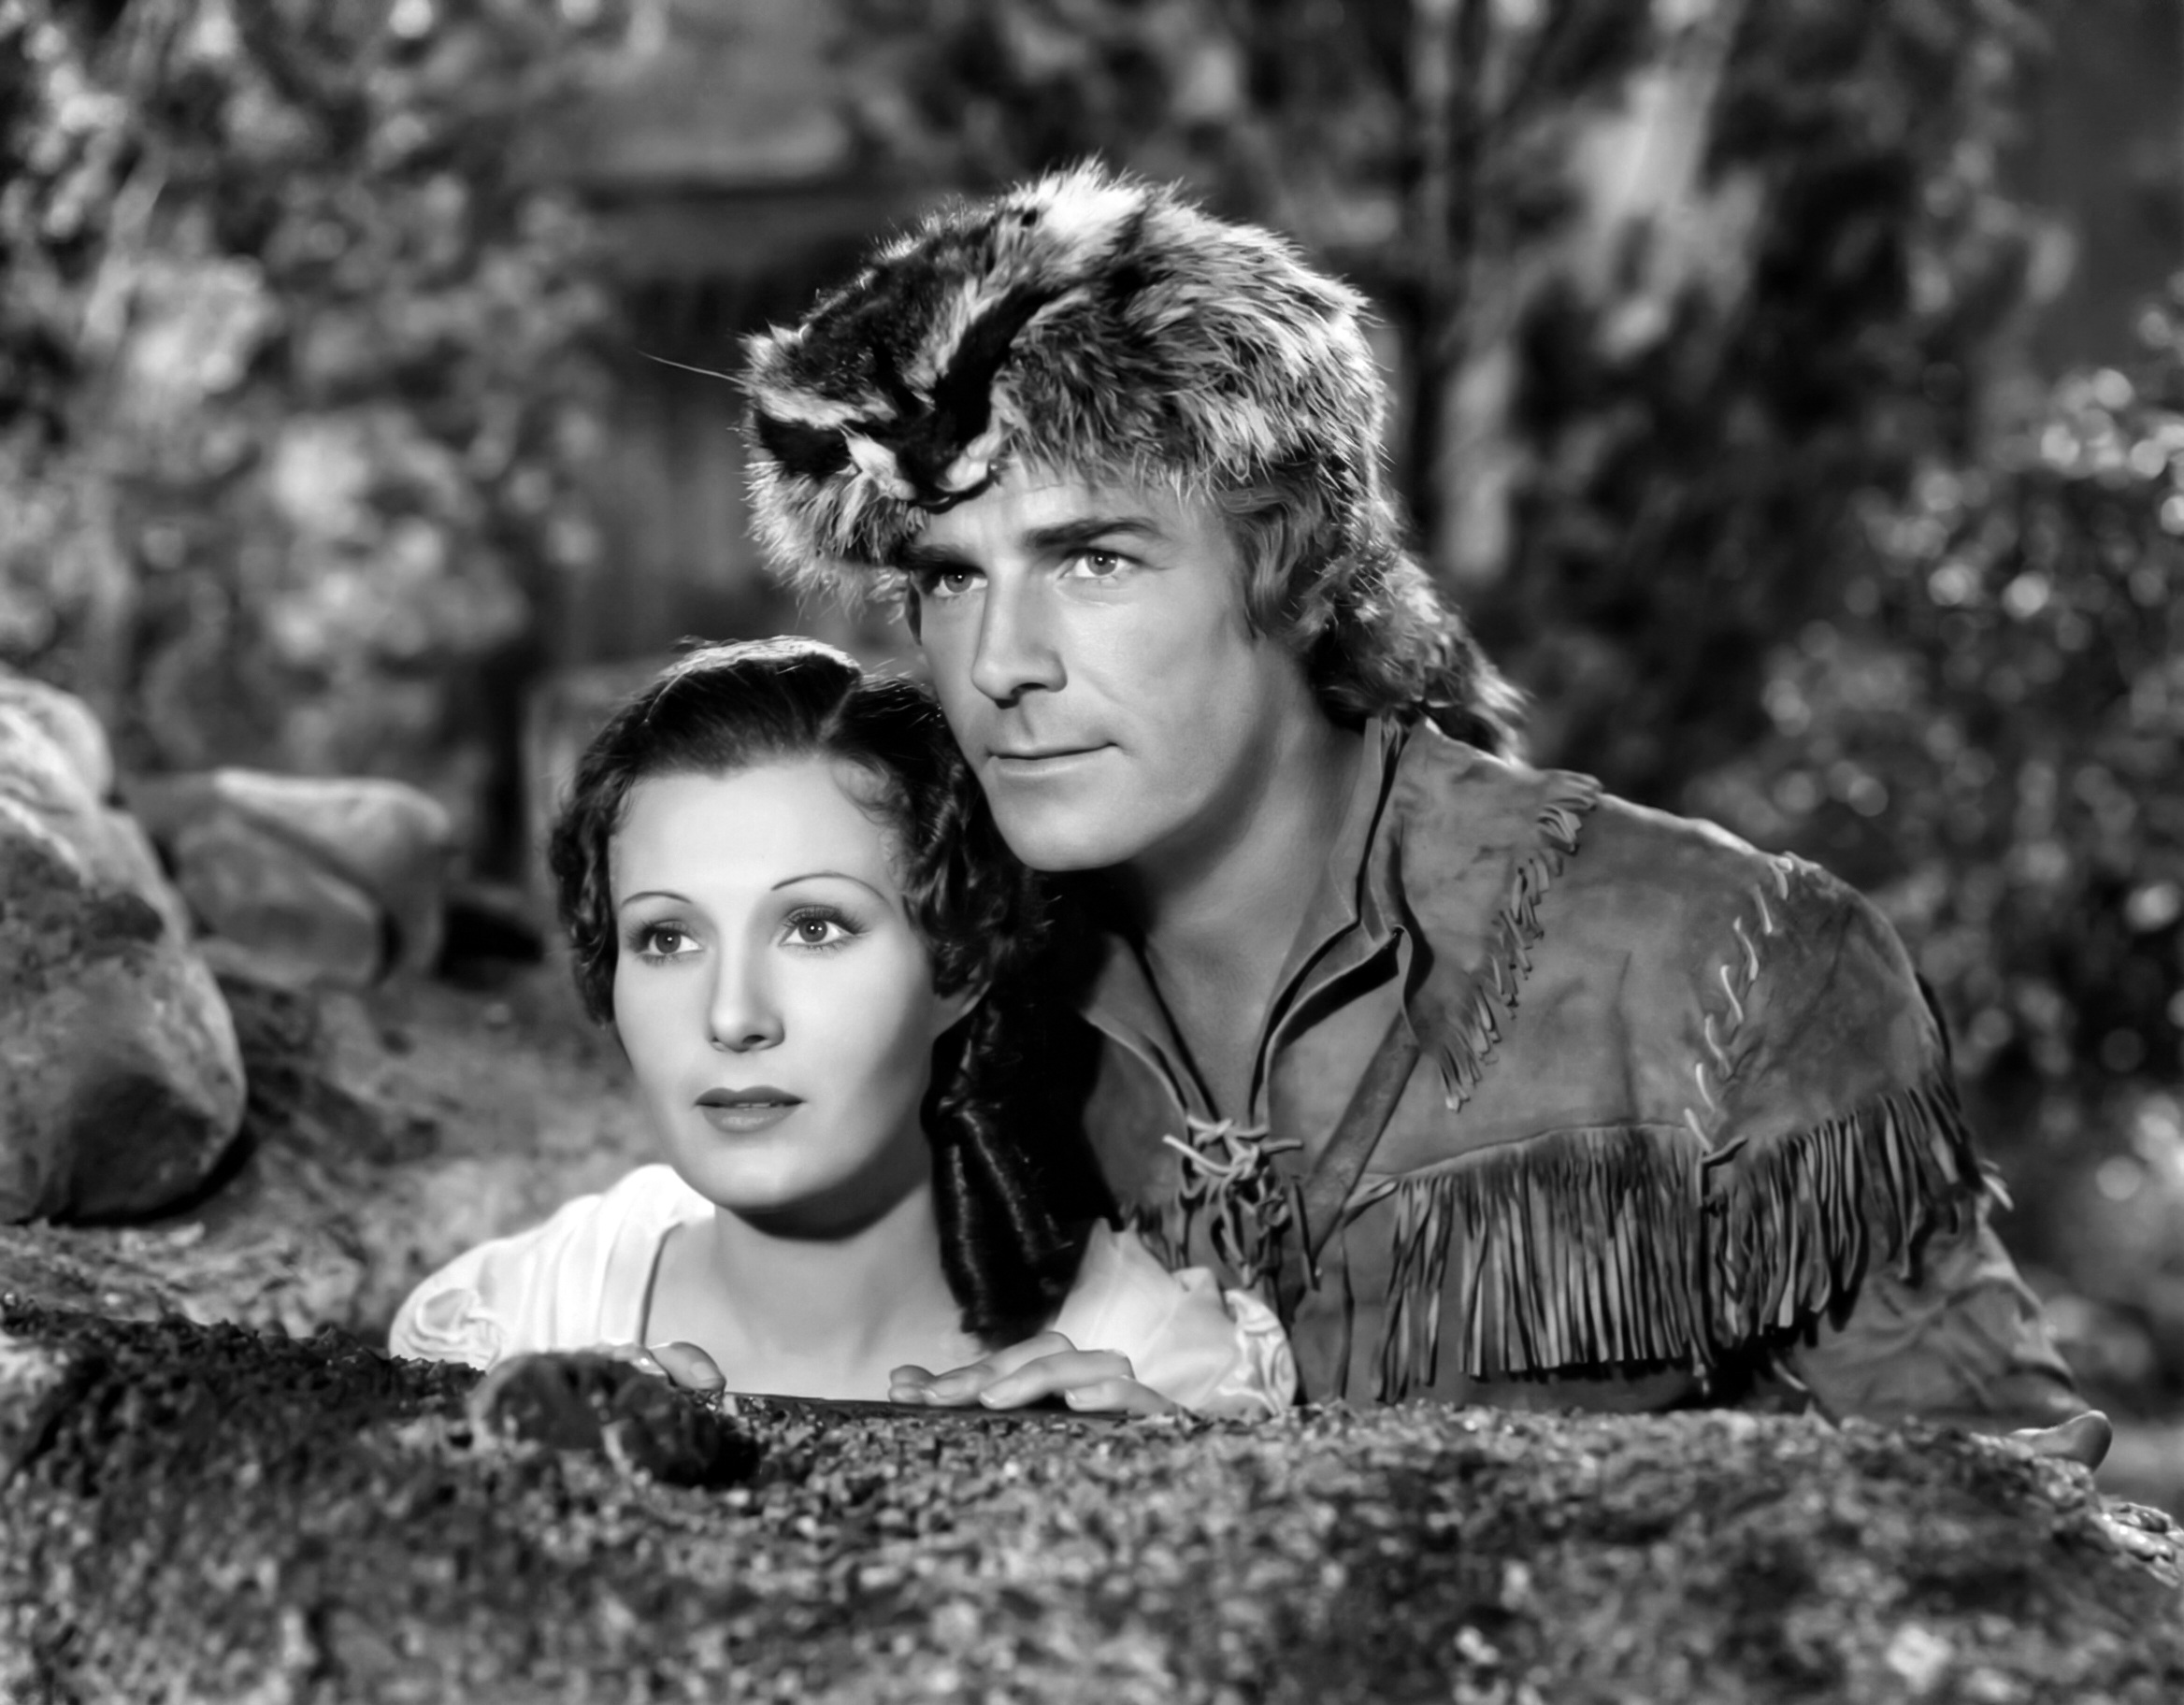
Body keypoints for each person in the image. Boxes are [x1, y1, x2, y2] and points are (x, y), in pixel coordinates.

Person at [738, 162, 2107, 1459]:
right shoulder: (937, 1000)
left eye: (1091, 559)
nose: (999, 665)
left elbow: (2008, 1545)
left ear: (1293, 566)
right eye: (950, 580)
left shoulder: (1723, 967)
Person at [388, 638, 1295, 1419]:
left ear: (958, 963)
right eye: (666, 938)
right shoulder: (504, 1328)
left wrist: (1137, 1495)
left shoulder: (1159, 1363)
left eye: (814, 928)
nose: (733, 1017)